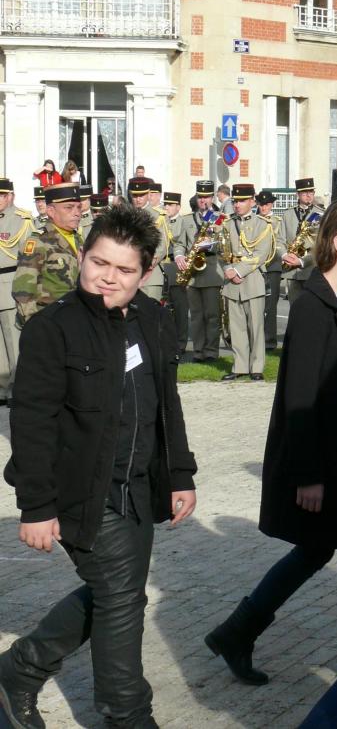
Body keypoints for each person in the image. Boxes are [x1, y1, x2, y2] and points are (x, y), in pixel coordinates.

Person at [0, 204, 198, 729]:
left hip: (138, 487)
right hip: (79, 491)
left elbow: (166, 405)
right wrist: (36, 507)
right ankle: (127, 715)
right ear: (82, 257)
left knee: (118, 594)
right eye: (98, 262)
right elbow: (32, 423)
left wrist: (180, 473)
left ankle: (18, 670)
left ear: (146, 273)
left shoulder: (155, 321)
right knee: (121, 599)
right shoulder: (52, 328)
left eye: (124, 269)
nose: (108, 277)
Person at [206, 199, 337, 691]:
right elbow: (299, 397)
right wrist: (308, 475)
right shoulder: (311, 305)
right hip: (320, 458)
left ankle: (236, 631)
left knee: (319, 550)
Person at [219, 184, 273, 381]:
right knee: (236, 326)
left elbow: (261, 254)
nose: (237, 204)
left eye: (242, 201)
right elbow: (221, 252)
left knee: (256, 326)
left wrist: (238, 270)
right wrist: (228, 270)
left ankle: (256, 366)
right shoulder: (227, 223)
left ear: (252, 201)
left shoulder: (262, 224)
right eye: (235, 201)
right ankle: (240, 366)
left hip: (252, 281)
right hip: (232, 282)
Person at [13, 182, 83, 328]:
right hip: (49, 324)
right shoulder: (38, 242)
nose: (77, 212)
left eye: (78, 207)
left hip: (76, 321)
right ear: (51, 211)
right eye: (69, 207)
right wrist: (35, 327)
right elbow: (23, 291)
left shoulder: (78, 239)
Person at [174, 181, 224, 362]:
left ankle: (211, 351)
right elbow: (179, 243)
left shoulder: (220, 218)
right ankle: (198, 351)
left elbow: (225, 243)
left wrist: (210, 243)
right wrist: (179, 256)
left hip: (211, 269)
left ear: (212, 198)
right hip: (192, 273)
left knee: (212, 315)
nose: (203, 200)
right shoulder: (186, 219)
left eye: (207, 197)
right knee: (195, 316)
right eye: (200, 197)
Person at [0, 178, 37, 405]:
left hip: (9, 283)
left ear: (9, 196)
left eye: (1, 196)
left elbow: (29, 256)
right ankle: (3, 387)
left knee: (13, 341)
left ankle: (17, 388)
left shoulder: (21, 220)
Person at [281, 178, 325, 303]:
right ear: (298, 194)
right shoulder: (287, 214)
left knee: (312, 308)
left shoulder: (321, 214)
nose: (308, 195)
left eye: (311, 192)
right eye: (305, 192)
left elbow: (323, 244)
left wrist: (302, 261)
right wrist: (285, 255)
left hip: (312, 267)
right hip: (291, 269)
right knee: (294, 309)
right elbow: (280, 239)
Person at [255, 191, 286, 350]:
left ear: (272, 204)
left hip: (272, 267)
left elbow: (281, 242)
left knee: (270, 306)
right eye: (261, 204)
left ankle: (269, 341)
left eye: (266, 204)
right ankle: (256, 340)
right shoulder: (253, 220)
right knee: (255, 306)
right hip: (255, 267)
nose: (264, 207)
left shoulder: (278, 221)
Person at [160, 192, 188, 350]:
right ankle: (165, 341)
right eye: (166, 204)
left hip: (176, 266)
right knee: (163, 307)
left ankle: (181, 343)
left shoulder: (183, 222)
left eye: (170, 205)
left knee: (180, 308)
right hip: (162, 266)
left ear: (178, 206)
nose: (167, 207)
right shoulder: (161, 220)